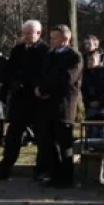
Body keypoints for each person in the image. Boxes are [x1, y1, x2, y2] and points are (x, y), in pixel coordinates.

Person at [0, 21, 50, 181]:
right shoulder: (17, 50)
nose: (27, 36)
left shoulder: (45, 51)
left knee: (42, 137)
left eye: (30, 33)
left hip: (37, 99)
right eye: (25, 33)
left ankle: (41, 170)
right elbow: (8, 71)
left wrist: (34, 86)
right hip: (19, 99)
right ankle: (4, 170)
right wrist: (9, 85)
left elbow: (45, 74)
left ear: (38, 33)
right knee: (12, 136)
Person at [37, 25, 83, 188]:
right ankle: (55, 174)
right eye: (51, 38)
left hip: (63, 105)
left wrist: (45, 89)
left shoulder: (74, 56)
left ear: (65, 39)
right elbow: (43, 75)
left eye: (55, 38)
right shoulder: (50, 55)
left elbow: (66, 79)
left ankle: (67, 178)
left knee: (64, 143)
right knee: (46, 142)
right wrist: (40, 89)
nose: (51, 41)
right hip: (46, 105)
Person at [81, 49, 104, 139]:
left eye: (92, 59)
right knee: (91, 129)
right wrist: (88, 102)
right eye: (88, 60)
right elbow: (83, 91)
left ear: (98, 60)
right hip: (90, 105)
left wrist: (100, 101)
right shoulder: (85, 74)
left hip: (103, 105)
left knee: (103, 127)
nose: (89, 62)